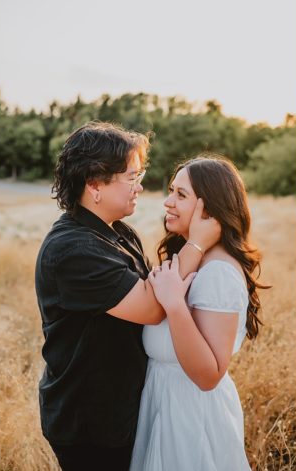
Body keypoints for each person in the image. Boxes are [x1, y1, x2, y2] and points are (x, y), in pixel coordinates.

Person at [35, 122, 219, 470]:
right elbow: (153, 306)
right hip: (90, 422)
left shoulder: (117, 231)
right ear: (94, 185)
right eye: (131, 177)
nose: (141, 186)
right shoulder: (72, 250)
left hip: (120, 408)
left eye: (140, 174)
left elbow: (156, 288)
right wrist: (198, 242)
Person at [130, 155, 268, 470]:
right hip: (166, 404)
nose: (168, 202)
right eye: (171, 191)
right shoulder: (195, 258)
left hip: (192, 419)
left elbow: (208, 375)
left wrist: (176, 305)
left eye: (181, 195)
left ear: (209, 208)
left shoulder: (217, 273)